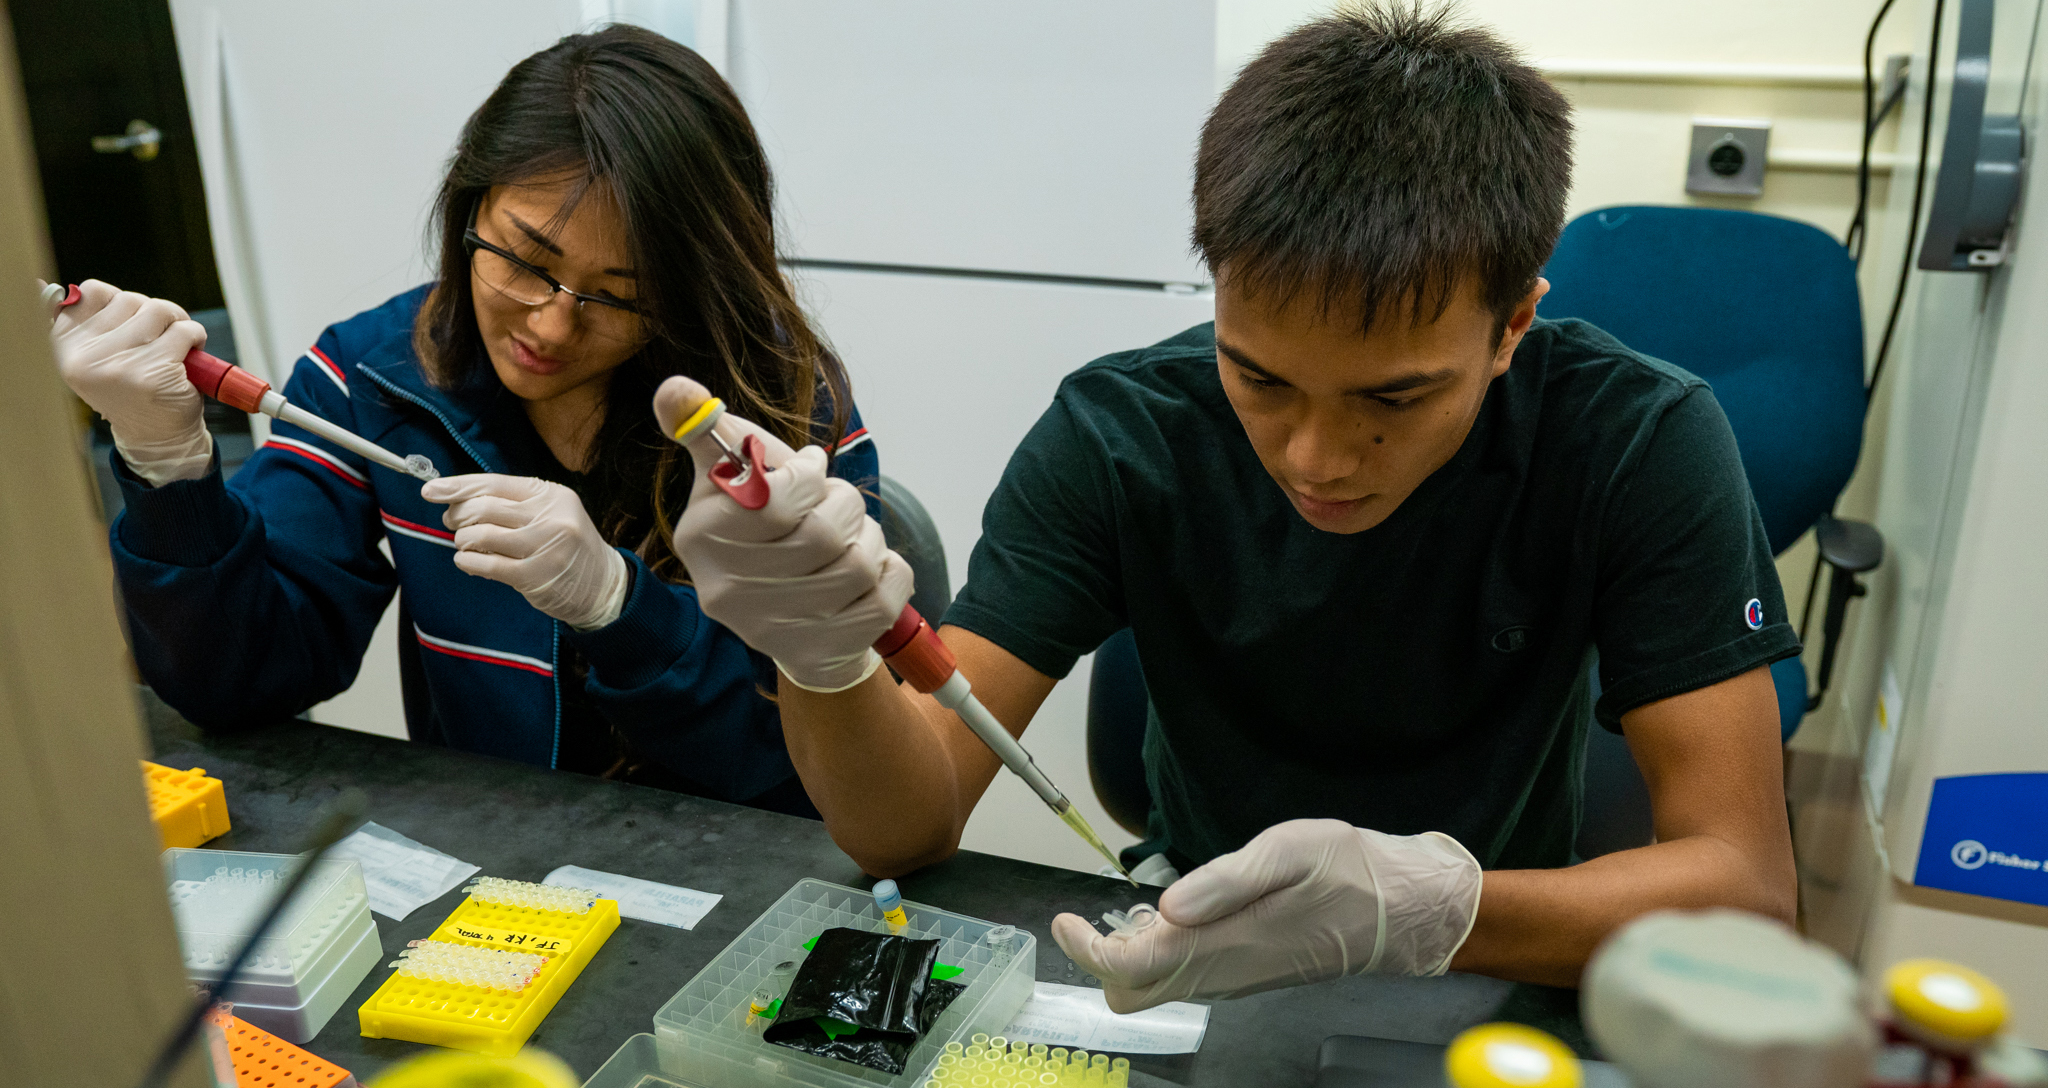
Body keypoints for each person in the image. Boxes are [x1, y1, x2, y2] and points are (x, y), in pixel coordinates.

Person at [657, 3, 1801, 1005]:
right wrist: (822, 661)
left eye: (1392, 397)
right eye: (1258, 376)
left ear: (1510, 325)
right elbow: (904, 825)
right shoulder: (1124, 436)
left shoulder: (1633, 440)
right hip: (1189, 958)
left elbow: (1746, 890)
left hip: (1491, 968)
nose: (1316, 455)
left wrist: (1433, 912)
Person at [53, 26, 874, 817]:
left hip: (746, 882)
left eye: (620, 294)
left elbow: (813, 772)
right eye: (524, 261)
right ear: (467, 208)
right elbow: (235, 681)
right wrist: (166, 461)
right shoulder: (373, 375)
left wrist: (622, 607)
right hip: (499, 886)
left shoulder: (777, 403)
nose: (550, 327)